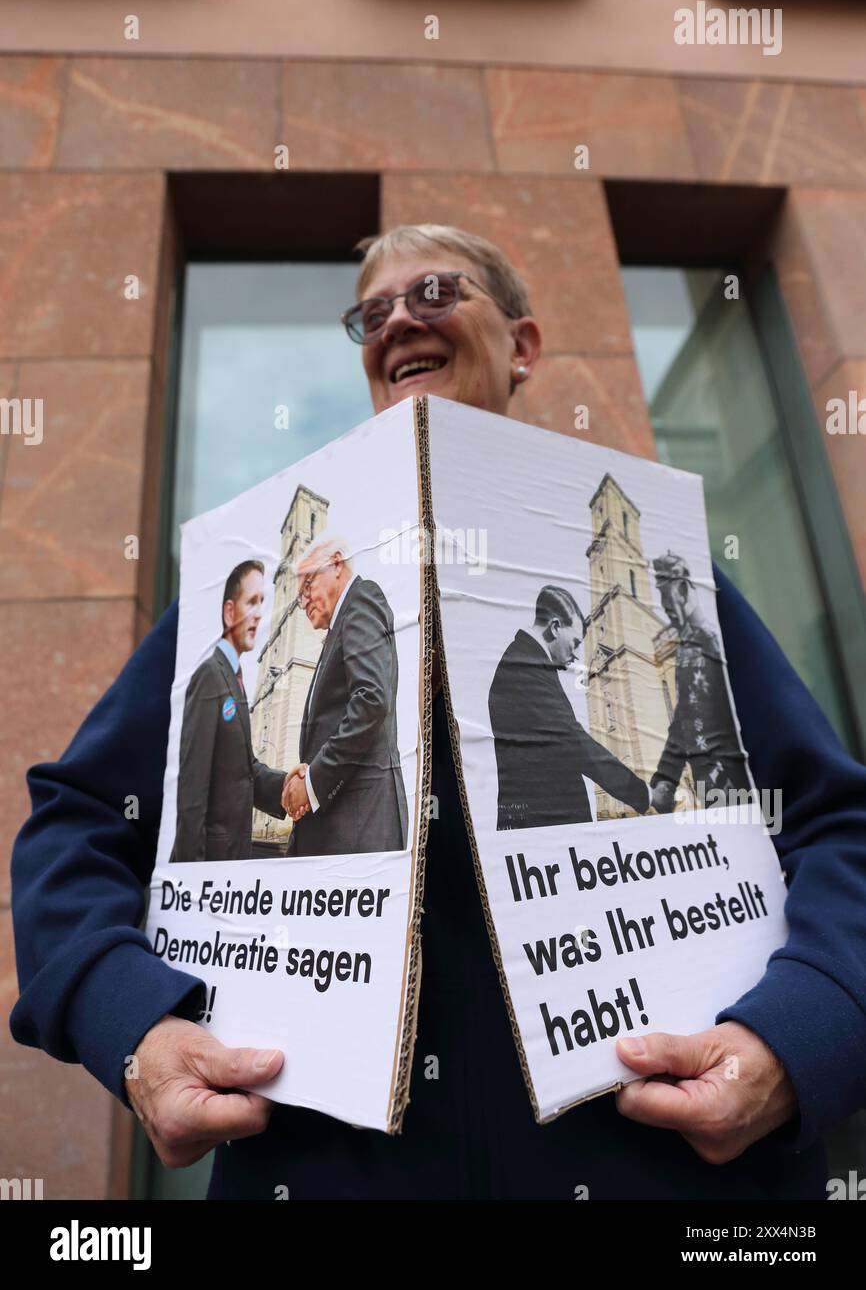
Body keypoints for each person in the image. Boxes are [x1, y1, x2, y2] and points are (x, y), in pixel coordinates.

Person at [10, 224, 866, 1197]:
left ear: (523, 347)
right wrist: (132, 1027)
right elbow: (74, 827)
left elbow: (837, 828)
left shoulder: (674, 587)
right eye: (370, 314)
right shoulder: (258, 593)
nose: (395, 324)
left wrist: (799, 1034)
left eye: (433, 292)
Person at [489, 584, 656, 828]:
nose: (576, 655)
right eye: (575, 642)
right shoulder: (523, 667)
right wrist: (644, 794)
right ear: (555, 627)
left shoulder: (530, 661)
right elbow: (574, 744)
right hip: (541, 829)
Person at [281, 534, 408, 855]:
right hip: (344, 824)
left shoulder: (361, 602)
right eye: (299, 597)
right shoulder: (340, 625)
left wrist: (312, 784)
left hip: (359, 823)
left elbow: (370, 701)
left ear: (336, 563)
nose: (305, 601)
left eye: (307, 586)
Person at [170, 560, 289, 862]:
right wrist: (191, 878)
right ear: (229, 611)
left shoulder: (234, 678)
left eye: (262, 602)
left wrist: (289, 786)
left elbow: (244, 770)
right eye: (251, 602)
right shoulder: (211, 676)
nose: (259, 613)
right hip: (208, 868)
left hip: (230, 864)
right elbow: (192, 791)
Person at [650, 551, 751, 815]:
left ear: (683, 589)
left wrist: (666, 778)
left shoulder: (710, 641)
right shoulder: (689, 645)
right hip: (712, 785)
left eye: (667, 598)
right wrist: (666, 777)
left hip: (731, 783)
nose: (667, 609)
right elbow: (686, 715)